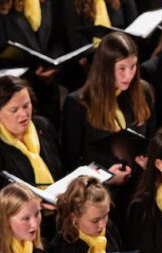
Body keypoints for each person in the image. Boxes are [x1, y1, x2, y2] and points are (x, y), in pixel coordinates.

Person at [61, 31, 156, 227]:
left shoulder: (143, 91)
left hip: (141, 192)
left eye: (132, 66)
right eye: (121, 68)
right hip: (103, 202)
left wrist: (149, 159)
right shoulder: (79, 103)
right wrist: (105, 177)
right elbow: (71, 161)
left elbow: (152, 138)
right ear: (105, 69)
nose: (128, 75)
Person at [0, 76, 62, 204]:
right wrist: (33, 203)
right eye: (14, 110)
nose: (23, 114)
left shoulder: (43, 126)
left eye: (26, 106)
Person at [59, 0, 138, 51]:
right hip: (90, 61)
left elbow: (132, 33)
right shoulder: (72, 3)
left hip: (119, 54)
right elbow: (77, 40)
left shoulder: (124, 3)